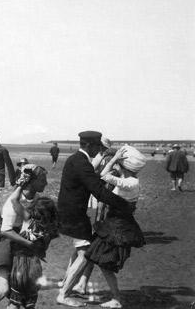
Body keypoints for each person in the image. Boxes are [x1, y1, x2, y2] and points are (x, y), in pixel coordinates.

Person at [56, 131, 131, 307]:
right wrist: (123, 204)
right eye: (97, 147)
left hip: (70, 212)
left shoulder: (75, 159)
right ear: (88, 145)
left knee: (80, 250)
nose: (99, 151)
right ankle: (64, 294)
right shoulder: (82, 162)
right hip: (74, 214)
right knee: (86, 253)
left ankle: (69, 285)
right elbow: (98, 190)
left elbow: (93, 183)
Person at [0, 165, 50, 309]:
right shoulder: (14, 200)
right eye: (42, 179)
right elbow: (6, 231)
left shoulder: (36, 198)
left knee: (17, 292)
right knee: (3, 289)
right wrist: (30, 244)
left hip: (20, 246)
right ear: (31, 181)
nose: (46, 183)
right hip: (5, 244)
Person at [85, 145, 146, 309]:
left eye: (119, 163)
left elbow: (103, 175)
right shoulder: (131, 181)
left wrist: (113, 159)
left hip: (117, 227)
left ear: (123, 166)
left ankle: (117, 299)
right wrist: (115, 160)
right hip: (117, 224)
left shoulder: (130, 183)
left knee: (105, 262)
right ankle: (113, 296)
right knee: (102, 261)